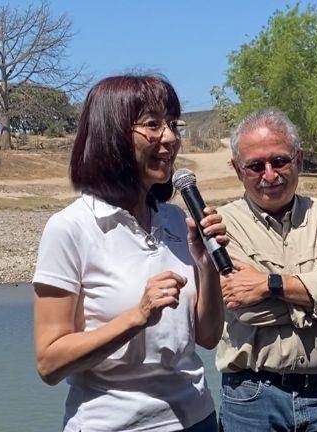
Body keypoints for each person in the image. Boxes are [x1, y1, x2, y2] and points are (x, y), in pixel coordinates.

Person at [32, 75, 226, 432]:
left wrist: (207, 265)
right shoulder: (72, 228)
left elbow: (209, 337)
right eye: (153, 125)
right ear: (111, 135)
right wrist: (136, 316)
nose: (169, 137)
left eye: (172, 124)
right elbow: (49, 363)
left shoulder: (176, 219)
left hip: (197, 418)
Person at [215, 108, 317, 431]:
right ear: (237, 169)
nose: (269, 175)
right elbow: (246, 311)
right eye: (256, 166)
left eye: (279, 161)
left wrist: (270, 285)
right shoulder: (221, 226)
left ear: (298, 159)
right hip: (251, 397)